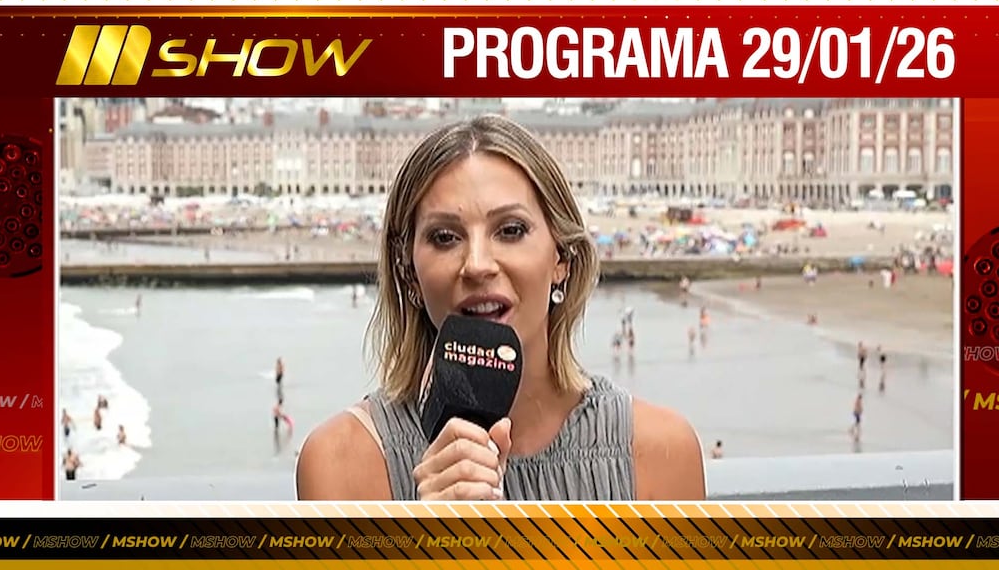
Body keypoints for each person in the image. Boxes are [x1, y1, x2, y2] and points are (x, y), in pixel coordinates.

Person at [296, 114, 705, 501]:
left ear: (562, 257)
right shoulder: (341, 463)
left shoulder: (660, 453)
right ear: (409, 273)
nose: (477, 265)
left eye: (510, 230)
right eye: (444, 237)